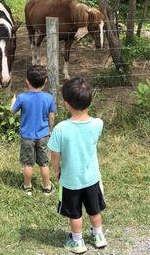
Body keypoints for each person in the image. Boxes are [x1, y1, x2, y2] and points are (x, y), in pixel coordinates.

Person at [48, 77, 106, 254]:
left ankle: (77, 241)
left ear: (66, 103)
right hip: (92, 177)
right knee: (94, 210)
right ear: (90, 100)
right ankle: (99, 236)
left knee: (75, 213)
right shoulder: (98, 124)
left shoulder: (61, 128)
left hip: (71, 180)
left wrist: (57, 170)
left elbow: (55, 154)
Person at [11, 65, 56, 196]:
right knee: (44, 163)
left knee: (28, 163)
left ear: (27, 81)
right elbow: (52, 115)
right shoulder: (48, 98)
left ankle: (27, 187)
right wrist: (50, 129)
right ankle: (47, 187)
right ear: (45, 81)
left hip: (27, 137)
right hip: (43, 135)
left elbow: (13, 111)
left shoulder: (22, 97)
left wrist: (13, 101)